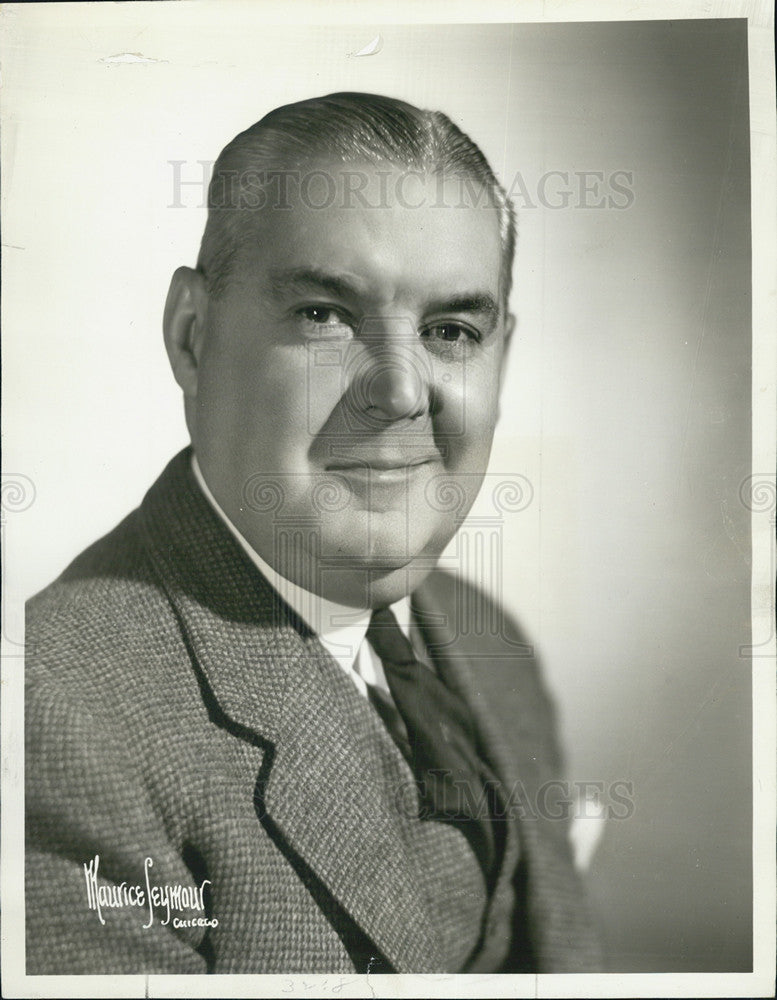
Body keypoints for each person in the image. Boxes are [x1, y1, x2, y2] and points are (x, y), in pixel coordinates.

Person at [25, 92, 602, 975]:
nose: (402, 393)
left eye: (451, 330)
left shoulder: (492, 651)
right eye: (324, 316)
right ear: (192, 335)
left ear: (501, 358)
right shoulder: (52, 718)